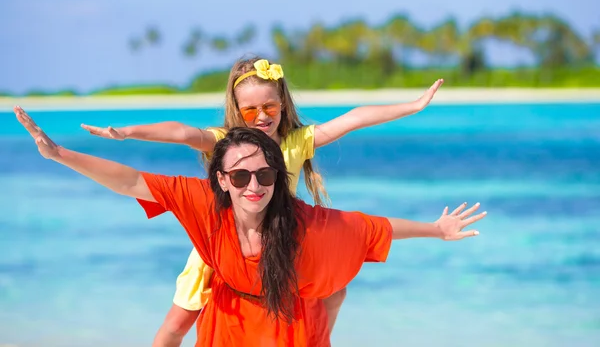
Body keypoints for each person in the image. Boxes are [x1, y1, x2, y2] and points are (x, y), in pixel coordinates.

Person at [14, 106, 486, 347]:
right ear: (222, 179)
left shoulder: (307, 223)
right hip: (229, 327)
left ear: (279, 177)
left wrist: (434, 229)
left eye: (264, 174)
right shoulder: (204, 203)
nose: (253, 184)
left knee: (332, 293)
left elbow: (372, 229)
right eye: (240, 176)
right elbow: (131, 180)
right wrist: (60, 155)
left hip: (289, 329)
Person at [79, 57, 445, 345]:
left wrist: (412, 106)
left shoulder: (299, 140)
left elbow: (354, 119)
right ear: (238, 111)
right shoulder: (226, 141)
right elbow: (182, 132)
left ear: (282, 104)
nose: (262, 117)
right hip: (224, 241)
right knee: (179, 321)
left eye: (270, 107)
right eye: (251, 111)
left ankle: (319, 340)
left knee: (336, 286)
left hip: (281, 239)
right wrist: (128, 132)